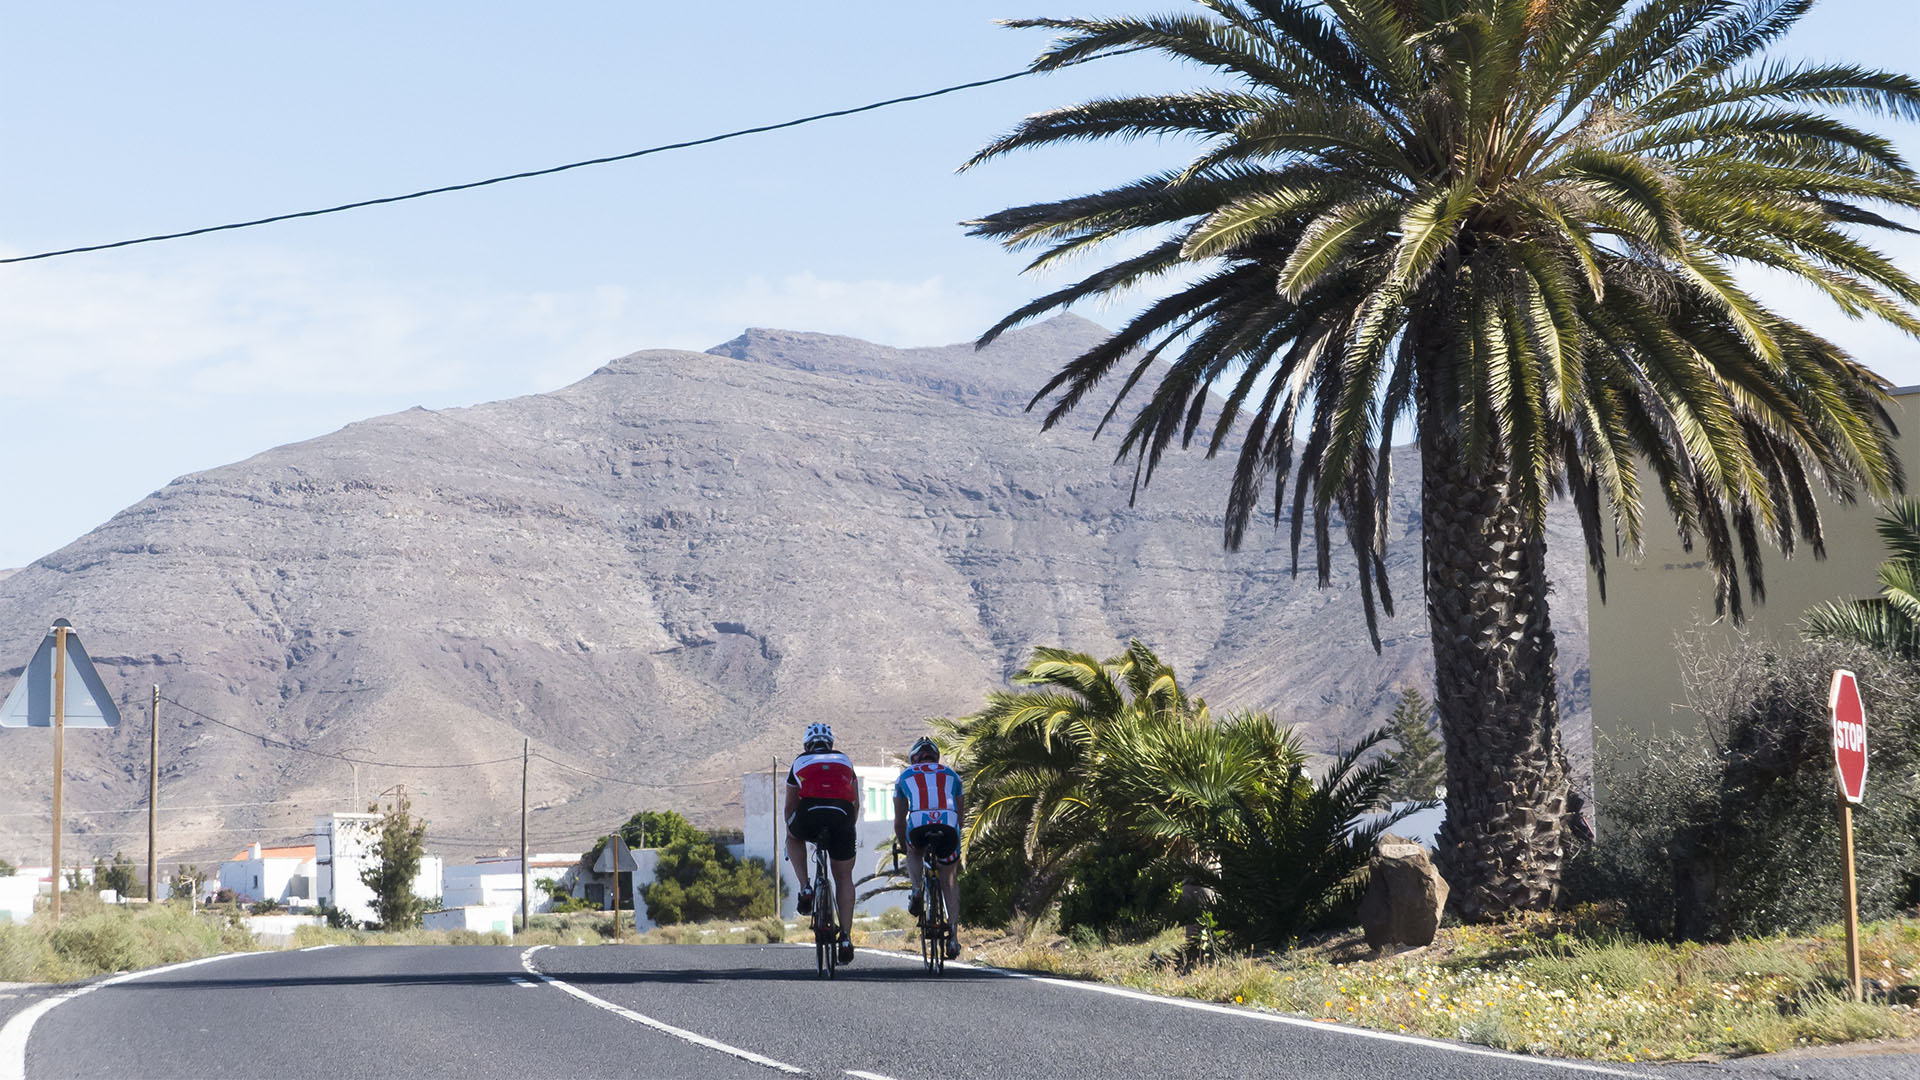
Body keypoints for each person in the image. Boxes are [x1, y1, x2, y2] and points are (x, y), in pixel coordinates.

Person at [784, 721, 859, 963]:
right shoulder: (845, 761)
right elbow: (855, 802)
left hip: (809, 814)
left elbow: (789, 807)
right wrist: (848, 827)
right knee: (844, 877)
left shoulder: (799, 761)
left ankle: (806, 886)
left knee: (792, 836)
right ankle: (846, 937)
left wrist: (793, 829)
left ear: (807, 745)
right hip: (842, 816)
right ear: (831, 744)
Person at [894, 736, 964, 960]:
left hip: (919, 825)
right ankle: (953, 938)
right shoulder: (952, 775)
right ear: (936, 757)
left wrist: (904, 846)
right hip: (948, 824)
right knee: (949, 879)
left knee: (914, 851)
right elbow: (960, 817)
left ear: (914, 759)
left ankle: (916, 890)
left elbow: (899, 821)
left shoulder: (904, 776)